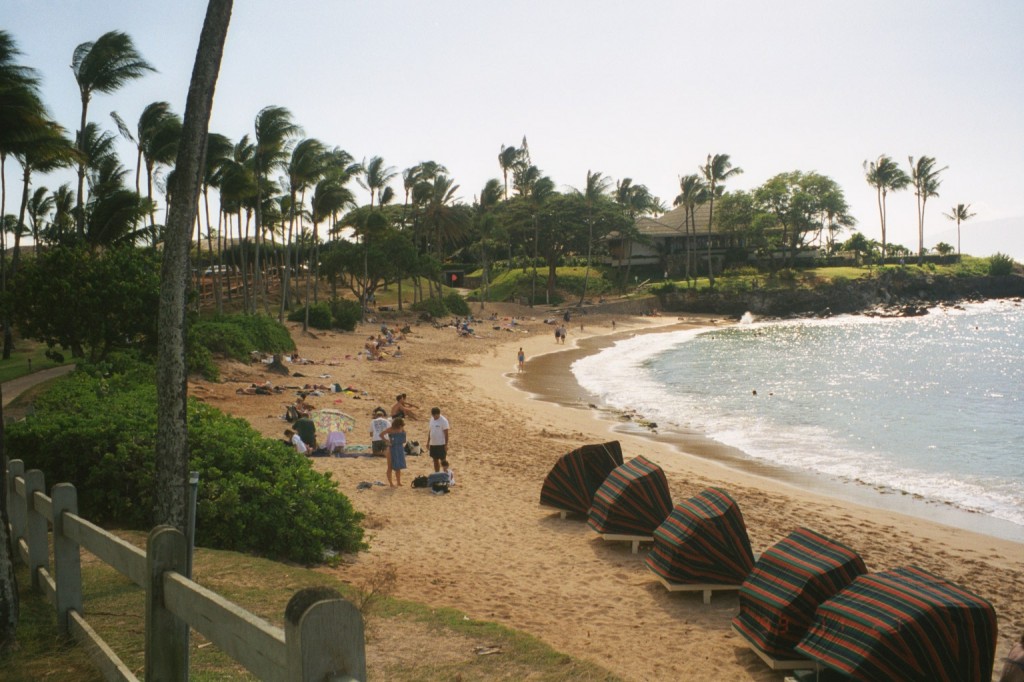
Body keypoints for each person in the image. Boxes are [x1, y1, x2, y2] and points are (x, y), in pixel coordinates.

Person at [380, 417, 408, 486]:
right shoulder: (390, 429)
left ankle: (398, 482)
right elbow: (381, 434)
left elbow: (404, 438)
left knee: (398, 466)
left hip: (399, 448)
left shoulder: (401, 428)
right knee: (390, 467)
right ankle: (391, 483)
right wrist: (387, 441)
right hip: (391, 449)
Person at [427, 406, 450, 472]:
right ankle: (437, 474)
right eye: (433, 416)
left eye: (436, 416)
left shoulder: (444, 421)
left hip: (441, 444)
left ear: (438, 414)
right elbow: (430, 431)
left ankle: (446, 474)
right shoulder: (432, 419)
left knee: (443, 460)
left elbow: (446, 433)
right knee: (435, 460)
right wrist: (428, 442)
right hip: (433, 444)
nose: (434, 417)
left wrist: (446, 445)